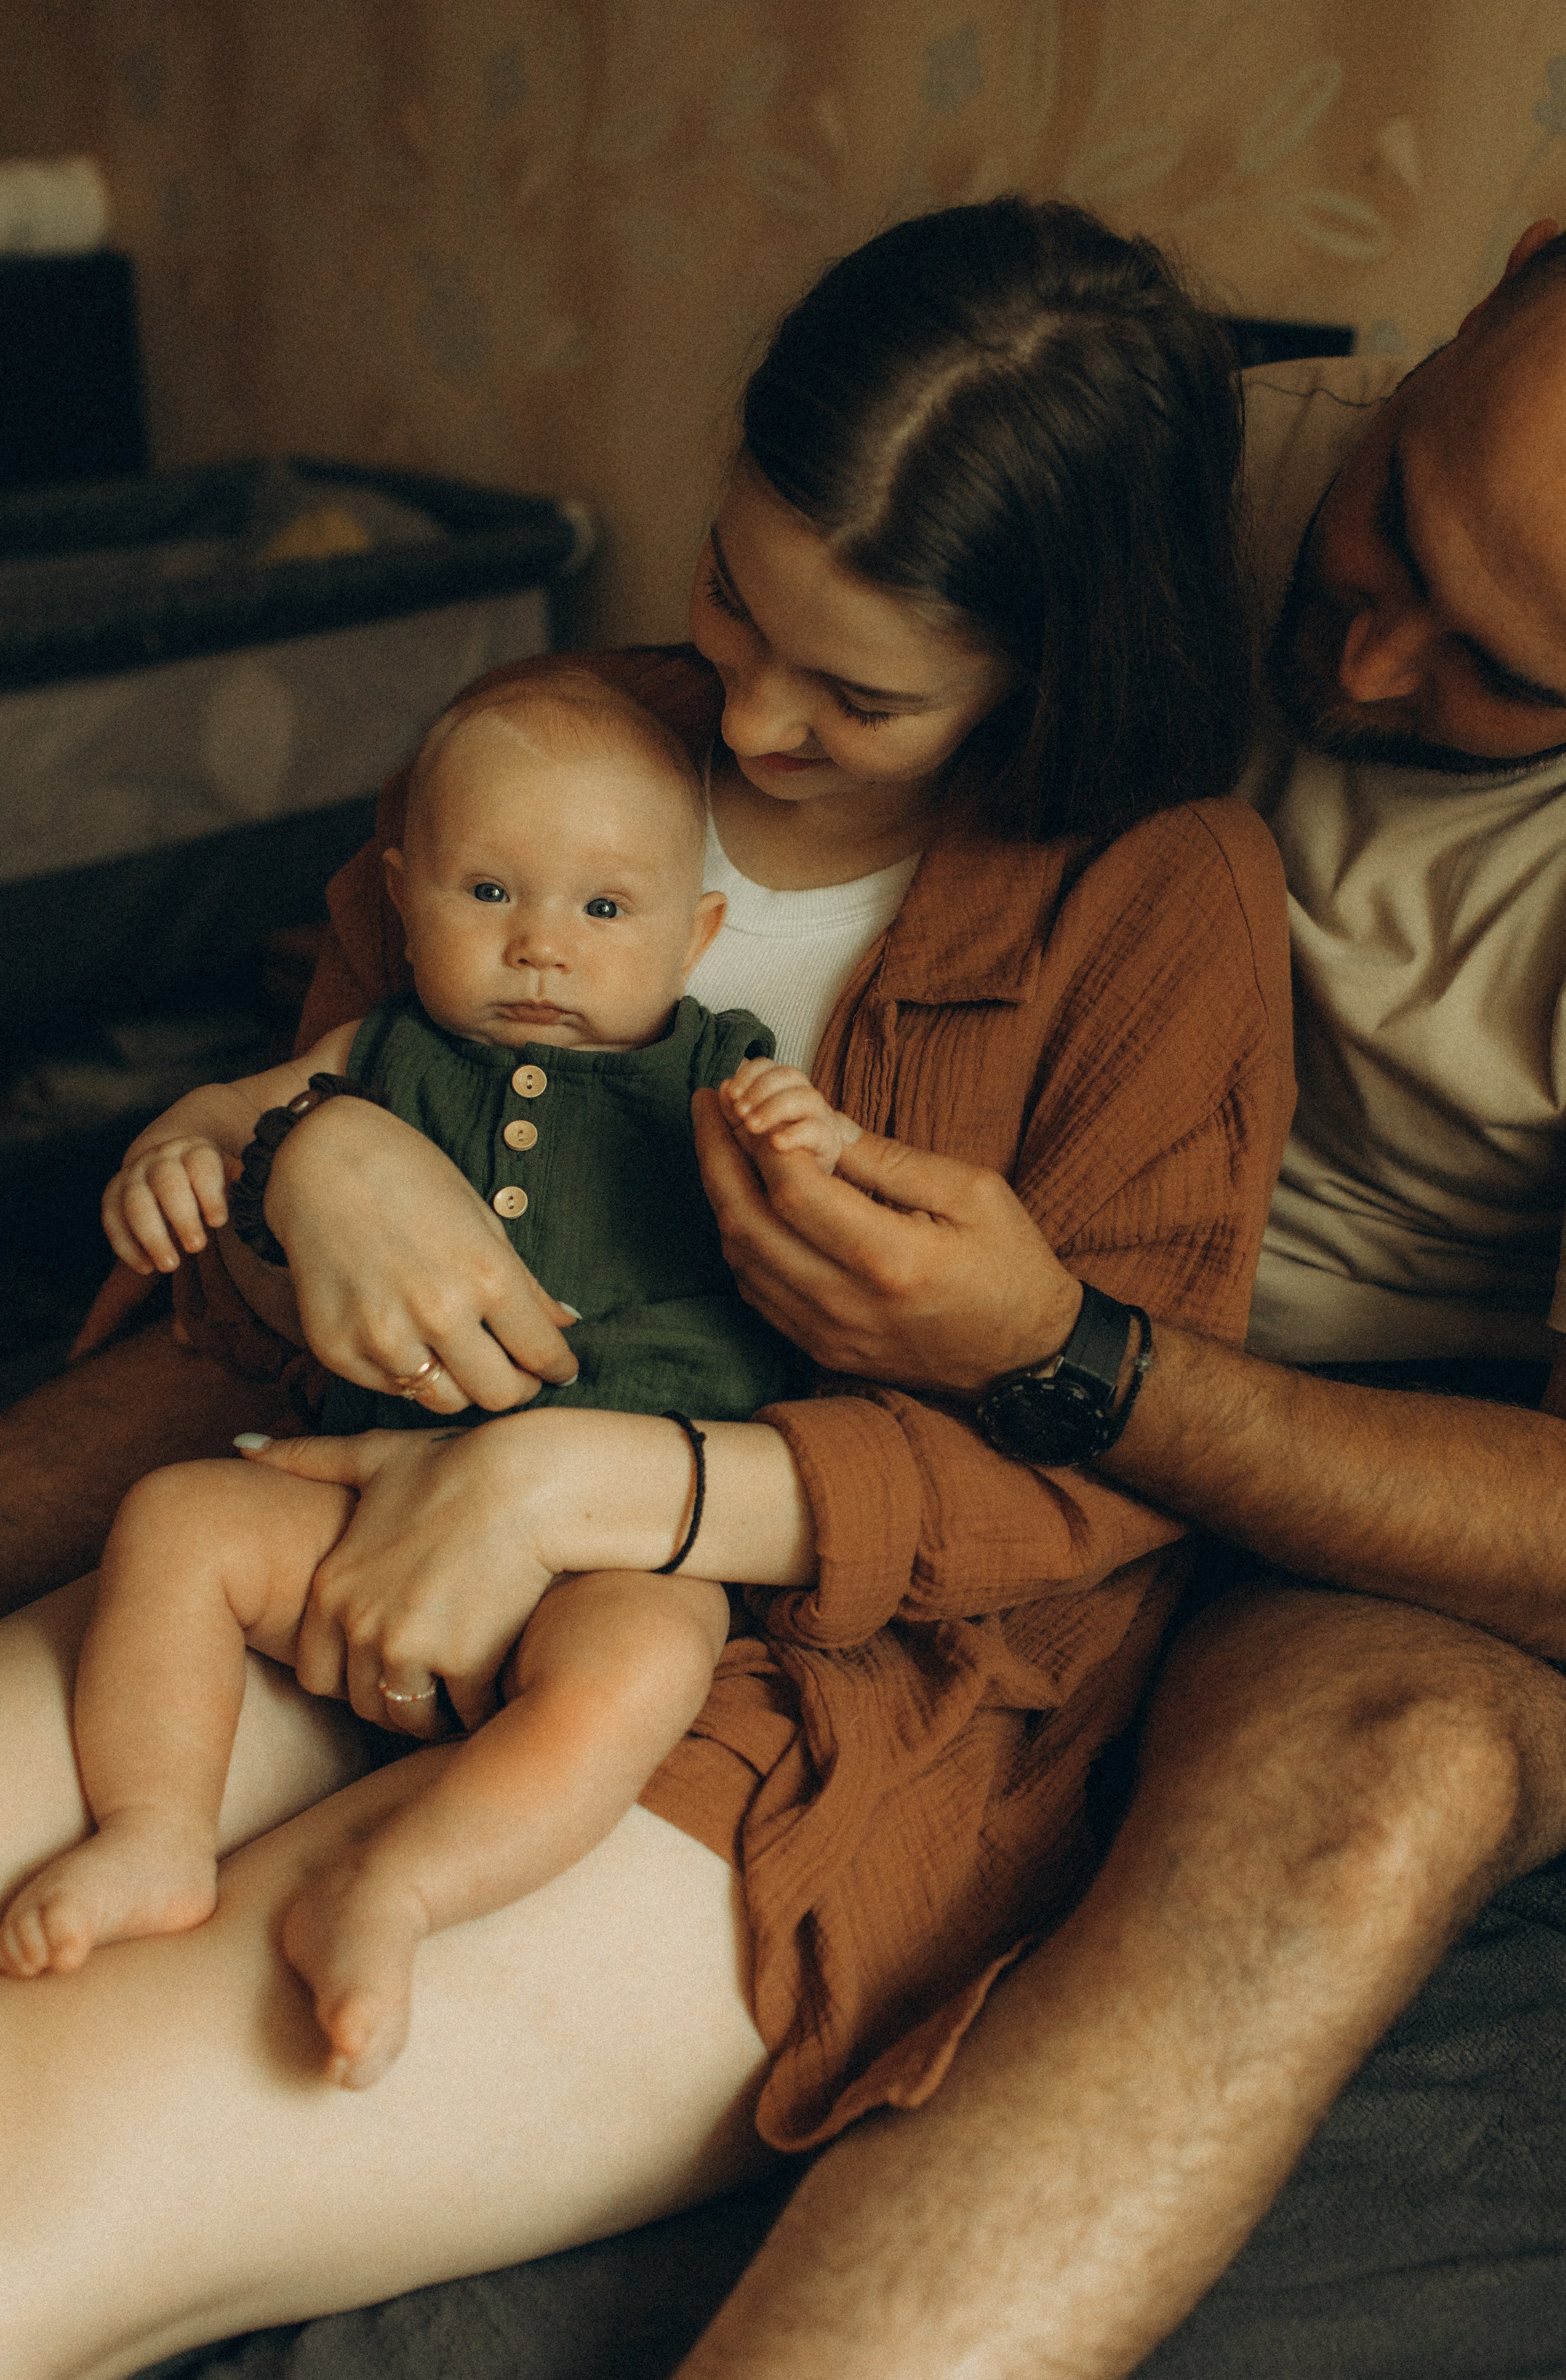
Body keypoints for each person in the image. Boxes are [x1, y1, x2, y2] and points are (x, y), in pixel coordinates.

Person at [0, 196, 1296, 2378]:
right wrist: (313, 1157)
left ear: (1051, 661)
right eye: (732, 600)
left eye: (860, 693)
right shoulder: (549, 739)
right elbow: (251, 1253)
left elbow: (1116, 1465)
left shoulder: (1162, 903)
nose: (751, 717)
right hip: (349, 1504)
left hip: (798, 1679)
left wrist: (589, 1488)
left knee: (32, 2174)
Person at [645, 216, 1566, 2378]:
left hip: (1349, 1472)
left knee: (1388, 1788)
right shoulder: (1177, 453)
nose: (1367, 670)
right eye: (1395, 528)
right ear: (1505, 278)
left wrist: (1067, 1358)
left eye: (1514, 679)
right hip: (890, 1241)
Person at [0, 667, 861, 2094]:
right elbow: (230, 1115)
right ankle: (155, 1830)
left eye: (604, 909)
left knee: (650, 1665)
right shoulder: (381, 1053)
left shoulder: (717, 1076)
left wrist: (807, 1142)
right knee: (177, 1522)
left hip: (606, 1552)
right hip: (360, 1498)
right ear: (403, 899)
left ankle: (397, 1888)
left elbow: (832, 1233)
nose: (541, 948)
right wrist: (179, 1152)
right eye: (489, 893)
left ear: (697, 934)